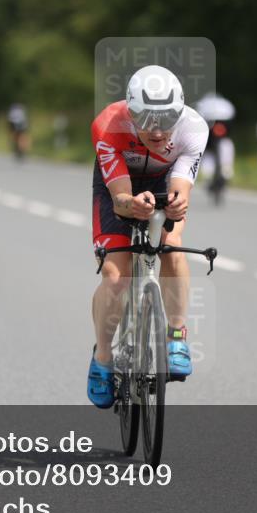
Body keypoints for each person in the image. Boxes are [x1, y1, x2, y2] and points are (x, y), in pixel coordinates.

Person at [87, 65, 208, 408]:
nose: (157, 131)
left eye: (167, 119)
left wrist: (177, 204)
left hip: (162, 181)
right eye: (146, 120)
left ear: (180, 112)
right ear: (130, 112)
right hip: (119, 185)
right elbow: (120, 198)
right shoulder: (108, 124)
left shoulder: (194, 128)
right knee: (114, 277)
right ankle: (103, 359)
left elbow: (181, 184)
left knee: (171, 248)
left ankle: (176, 336)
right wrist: (129, 206)